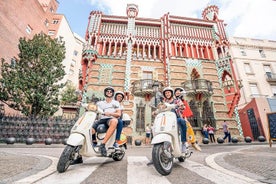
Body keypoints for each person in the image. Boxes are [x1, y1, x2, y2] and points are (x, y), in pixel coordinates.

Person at [153, 87, 188, 153]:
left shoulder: (177, 100)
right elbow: (159, 108)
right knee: (155, 126)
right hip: (166, 120)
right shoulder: (163, 102)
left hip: (175, 119)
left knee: (182, 121)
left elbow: (182, 106)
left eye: (168, 92)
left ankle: (183, 142)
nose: (167, 94)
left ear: (171, 93)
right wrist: (155, 112)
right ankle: (156, 150)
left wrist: (181, 106)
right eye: (166, 93)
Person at [91, 86, 121, 156]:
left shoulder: (116, 103)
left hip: (109, 119)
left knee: (114, 121)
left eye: (111, 92)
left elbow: (118, 114)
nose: (109, 92)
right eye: (108, 91)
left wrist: (110, 113)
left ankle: (103, 144)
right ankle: (94, 142)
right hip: (101, 119)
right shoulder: (99, 103)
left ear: (113, 93)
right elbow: (93, 110)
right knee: (90, 126)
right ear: (105, 93)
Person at [174, 87, 201, 151]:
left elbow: (184, 110)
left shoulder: (182, 101)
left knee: (188, 126)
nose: (178, 92)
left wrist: (185, 117)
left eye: (179, 91)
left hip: (180, 117)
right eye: (177, 91)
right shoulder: (172, 99)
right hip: (172, 117)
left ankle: (193, 142)